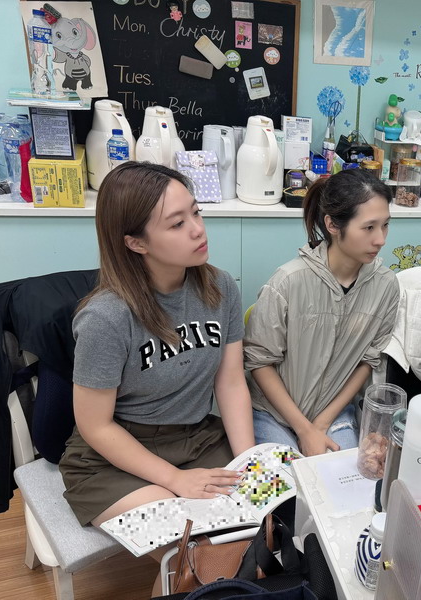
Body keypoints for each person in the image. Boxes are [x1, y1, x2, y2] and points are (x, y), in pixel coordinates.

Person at [59, 162, 255, 528]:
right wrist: (174, 479)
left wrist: (248, 463)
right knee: (188, 533)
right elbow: (96, 426)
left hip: (196, 438)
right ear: (136, 243)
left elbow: (230, 383)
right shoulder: (106, 317)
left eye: (196, 212)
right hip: (117, 454)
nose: (198, 229)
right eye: (177, 223)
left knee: (260, 513)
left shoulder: (221, 287)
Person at [244, 169, 399, 456]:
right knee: (284, 481)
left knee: (347, 479)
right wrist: (304, 429)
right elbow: (259, 363)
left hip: (334, 414)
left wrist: (322, 424)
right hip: (273, 413)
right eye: (369, 228)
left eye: (385, 225)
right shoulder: (287, 282)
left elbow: (368, 360)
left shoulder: (386, 286)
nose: (381, 239)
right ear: (332, 225)